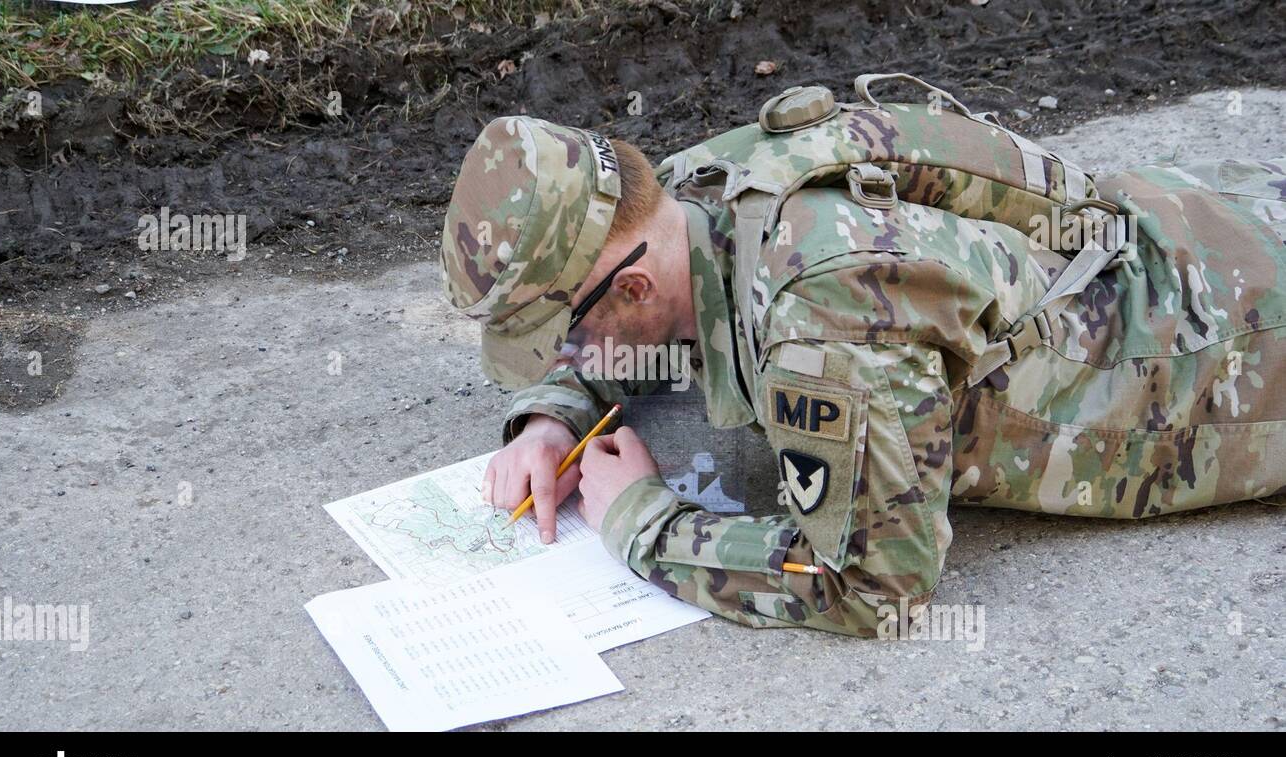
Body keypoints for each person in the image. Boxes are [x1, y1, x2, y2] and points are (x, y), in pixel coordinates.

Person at [439, 78, 1286, 637]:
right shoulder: (694, 189)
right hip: (1187, 225)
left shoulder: (825, 319)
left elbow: (876, 581)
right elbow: (619, 305)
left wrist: (642, 521)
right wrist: (557, 411)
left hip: (1233, 358)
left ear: (630, 289)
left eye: (562, 337)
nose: (566, 355)